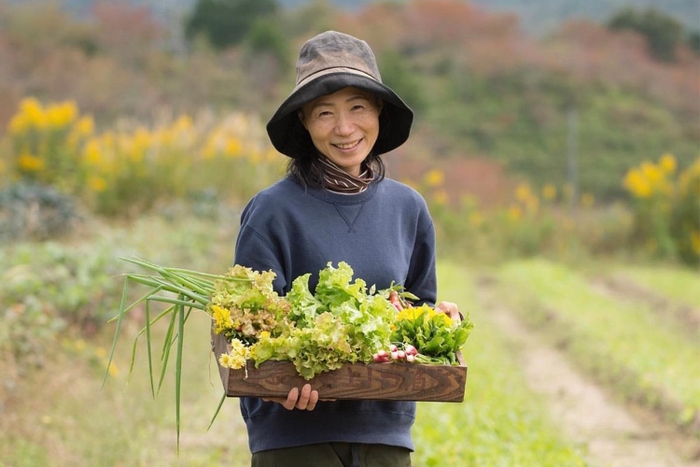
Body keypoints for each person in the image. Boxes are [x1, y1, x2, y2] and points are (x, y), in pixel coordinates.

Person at [233, 30, 462, 467]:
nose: (344, 128)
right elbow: (249, 330)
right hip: (295, 439)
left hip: (385, 435)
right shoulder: (272, 211)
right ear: (304, 120)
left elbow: (412, 315)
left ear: (378, 111)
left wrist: (438, 324)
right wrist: (283, 377)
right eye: (325, 113)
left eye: (357, 107)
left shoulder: (407, 208)